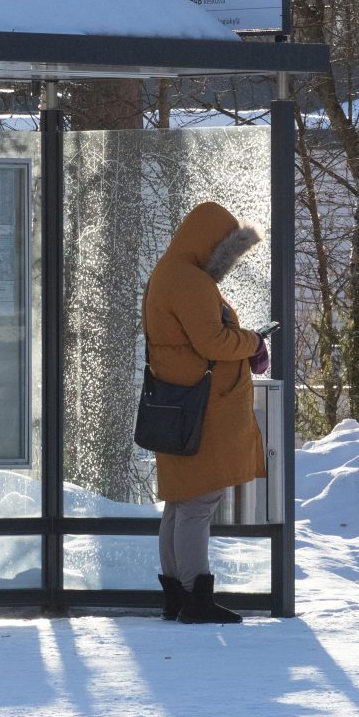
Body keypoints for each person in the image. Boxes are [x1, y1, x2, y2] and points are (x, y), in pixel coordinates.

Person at [142, 201, 269, 624]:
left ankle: (176, 594)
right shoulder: (190, 281)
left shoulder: (166, 273)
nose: (225, 265)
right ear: (210, 244)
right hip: (204, 408)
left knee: (180, 503)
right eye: (225, 254)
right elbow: (213, 341)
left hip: (178, 404)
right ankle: (197, 597)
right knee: (196, 504)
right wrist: (252, 342)